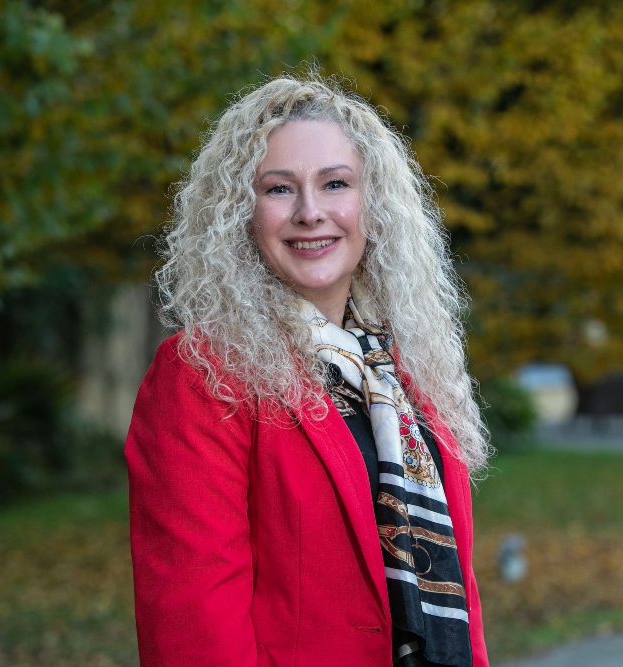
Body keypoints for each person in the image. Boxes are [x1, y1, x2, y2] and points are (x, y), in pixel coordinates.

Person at [126, 75, 492, 667]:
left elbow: (458, 591)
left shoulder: (402, 370)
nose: (310, 212)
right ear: (239, 213)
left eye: (335, 184)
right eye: (278, 188)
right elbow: (190, 628)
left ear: (372, 204)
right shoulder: (204, 376)